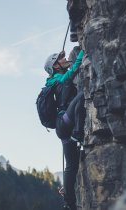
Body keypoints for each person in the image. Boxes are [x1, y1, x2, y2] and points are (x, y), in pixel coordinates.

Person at [43, 46, 86, 210]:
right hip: (65, 122)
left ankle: (70, 204)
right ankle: (77, 134)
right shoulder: (58, 79)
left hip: (62, 127)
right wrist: (82, 50)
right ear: (55, 66)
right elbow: (74, 69)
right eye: (60, 58)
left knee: (72, 165)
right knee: (83, 95)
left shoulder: (53, 81)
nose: (64, 58)